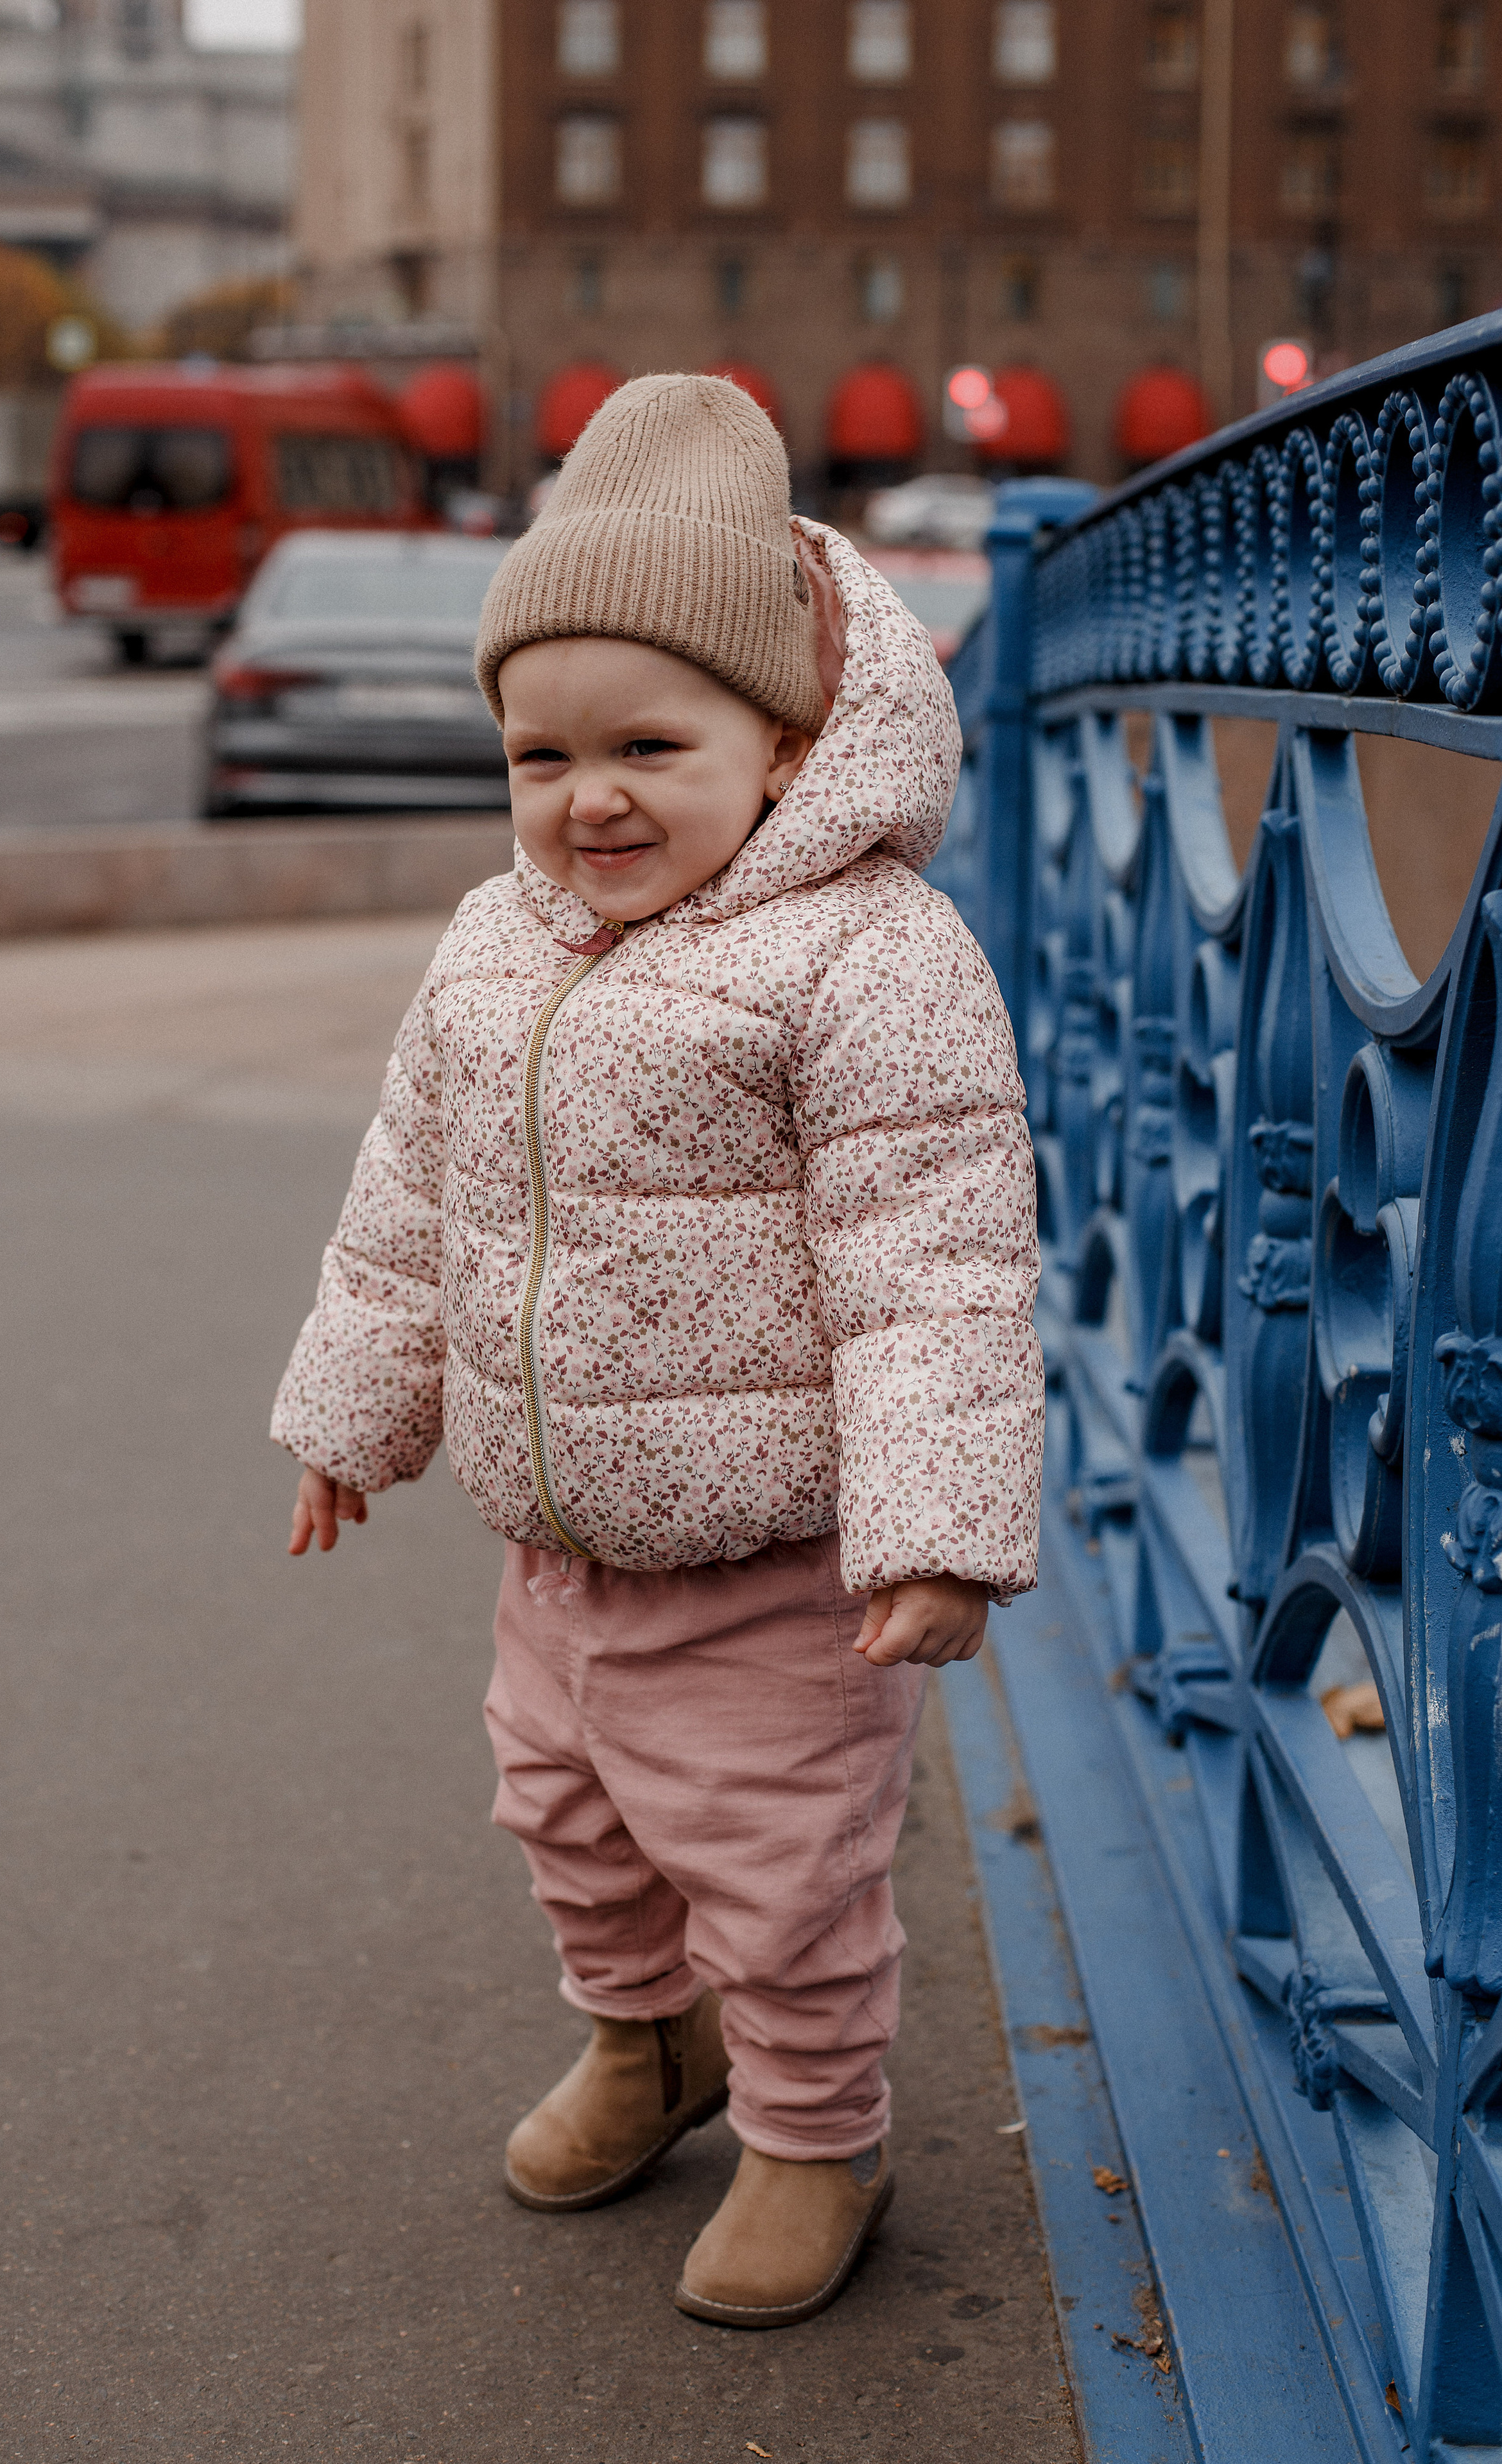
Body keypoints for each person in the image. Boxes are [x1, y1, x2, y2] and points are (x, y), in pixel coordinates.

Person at [272, 373, 1042, 2330]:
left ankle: (810, 2128)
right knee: (575, 1824)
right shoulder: (496, 942)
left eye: (648, 743)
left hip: (779, 1569)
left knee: (780, 1876)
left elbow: (934, 1264)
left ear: (784, 745)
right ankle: (649, 2046)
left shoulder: (869, 957)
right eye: (540, 753)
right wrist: (358, 1411)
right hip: (560, 1548)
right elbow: (412, 1198)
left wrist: (936, 1530)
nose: (586, 797)